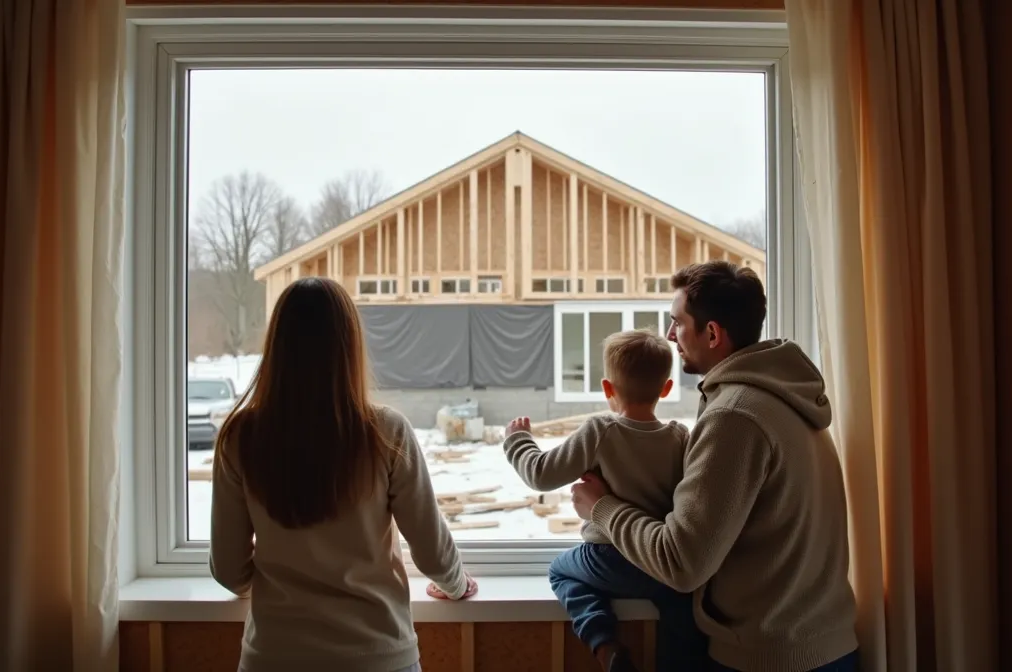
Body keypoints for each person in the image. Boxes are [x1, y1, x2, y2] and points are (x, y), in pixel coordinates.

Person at [571, 261, 860, 672]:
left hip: (769, 657)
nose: (670, 336)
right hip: (823, 646)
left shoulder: (736, 416)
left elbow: (681, 563)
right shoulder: (783, 396)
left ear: (711, 333)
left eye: (677, 323)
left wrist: (600, 507)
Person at [210, 277, 478, 672]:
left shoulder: (240, 438)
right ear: (349, 347)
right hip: (379, 655)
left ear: (277, 348)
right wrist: (457, 584)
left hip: (275, 656)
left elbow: (230, 572)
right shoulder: (386, 432)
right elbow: (433, 552)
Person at [502, 329, 707, 672]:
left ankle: (604, 644)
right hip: (658, 562)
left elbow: (541, 474)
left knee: (561, 572)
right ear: (666, 389)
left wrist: (518, 441)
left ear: (608, 389)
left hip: (606, 559)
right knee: (680, 608)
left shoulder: (601, 430)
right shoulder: (679, 437)